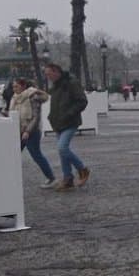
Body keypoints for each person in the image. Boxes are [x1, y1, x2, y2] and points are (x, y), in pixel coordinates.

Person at [43, 59, 90, 190]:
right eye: (46, 75)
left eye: (49, 74)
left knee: (62, 148)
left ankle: (82, 169)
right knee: (62, 152)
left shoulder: (71, 83)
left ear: (56, 72)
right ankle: (67, 178)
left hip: (70, 122)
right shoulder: (56, 86)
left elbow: (82, 101)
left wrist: (69, 114)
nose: (48, 77)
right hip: (58, 122)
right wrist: (52, 117)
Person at [9, 76, 55, 184]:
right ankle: (10, 178)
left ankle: (51, 178)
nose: (14, 89)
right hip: (18, 131)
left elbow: (36, 116)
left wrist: (28, 131)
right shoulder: (15, 98)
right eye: (13, 87)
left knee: (36, 155)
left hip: (31, 132)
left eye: (16, 86)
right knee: (12, 154)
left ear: (23, 86)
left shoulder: (33, 97)